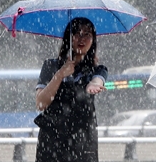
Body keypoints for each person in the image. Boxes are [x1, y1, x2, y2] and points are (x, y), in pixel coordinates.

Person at [34, 17, 107, 162]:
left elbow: (98, 79)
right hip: (52, 141)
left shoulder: (97, 70)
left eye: (87, 34)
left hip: (83, 141)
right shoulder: (50, 66)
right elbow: (41, 103)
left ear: (93, 41)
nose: (82, 38)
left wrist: (93, 84)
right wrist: (60, 74)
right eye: (77, 33)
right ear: (68, 38)